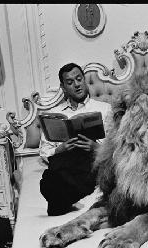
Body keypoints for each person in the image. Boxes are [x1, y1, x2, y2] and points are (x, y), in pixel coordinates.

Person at [39, 63, 111, 216]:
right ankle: (68, 194)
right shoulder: (54, 114)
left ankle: (60, 198)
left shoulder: (105, 109)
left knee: (51, 182)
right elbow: (44, 152)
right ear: (63, 87)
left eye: (79, 79)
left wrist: (95, 147)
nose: (77, 85)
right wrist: (60, 148)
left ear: (84, 80)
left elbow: (116, 146)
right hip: (65, 161)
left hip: (91, 160)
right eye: (70, 82)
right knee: (55, 169)